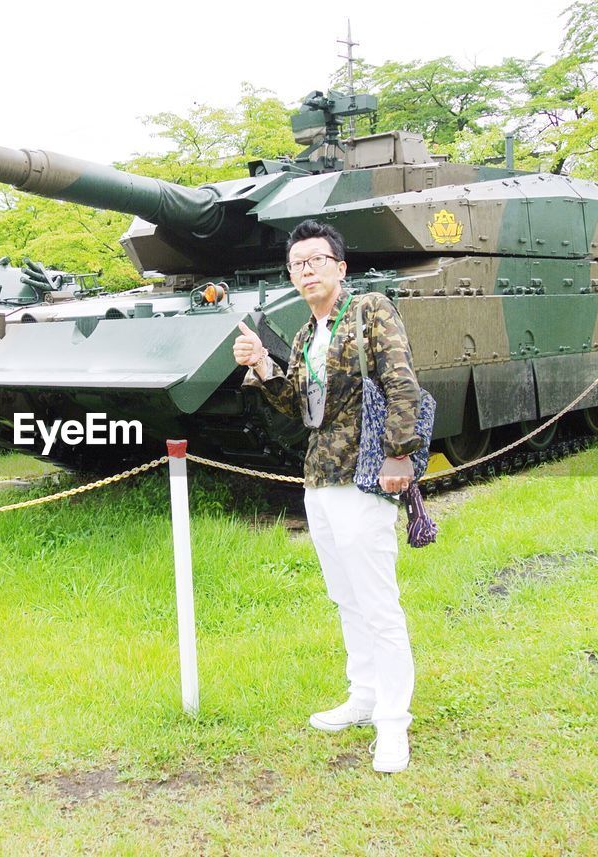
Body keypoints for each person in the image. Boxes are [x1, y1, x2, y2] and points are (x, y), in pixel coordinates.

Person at [233, 219, 421, 773]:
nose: (306, 270)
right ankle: (362, 695)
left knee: (379, 604)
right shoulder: (301, 334)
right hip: (320, 477)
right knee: (346, 597)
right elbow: (299, 406)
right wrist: (263, 365)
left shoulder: (370, 311)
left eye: (317, 260)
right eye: (297, 264)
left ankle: (393, 724)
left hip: (364, 475)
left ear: (340, 268)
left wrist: (399, 452)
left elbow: (401, 381)